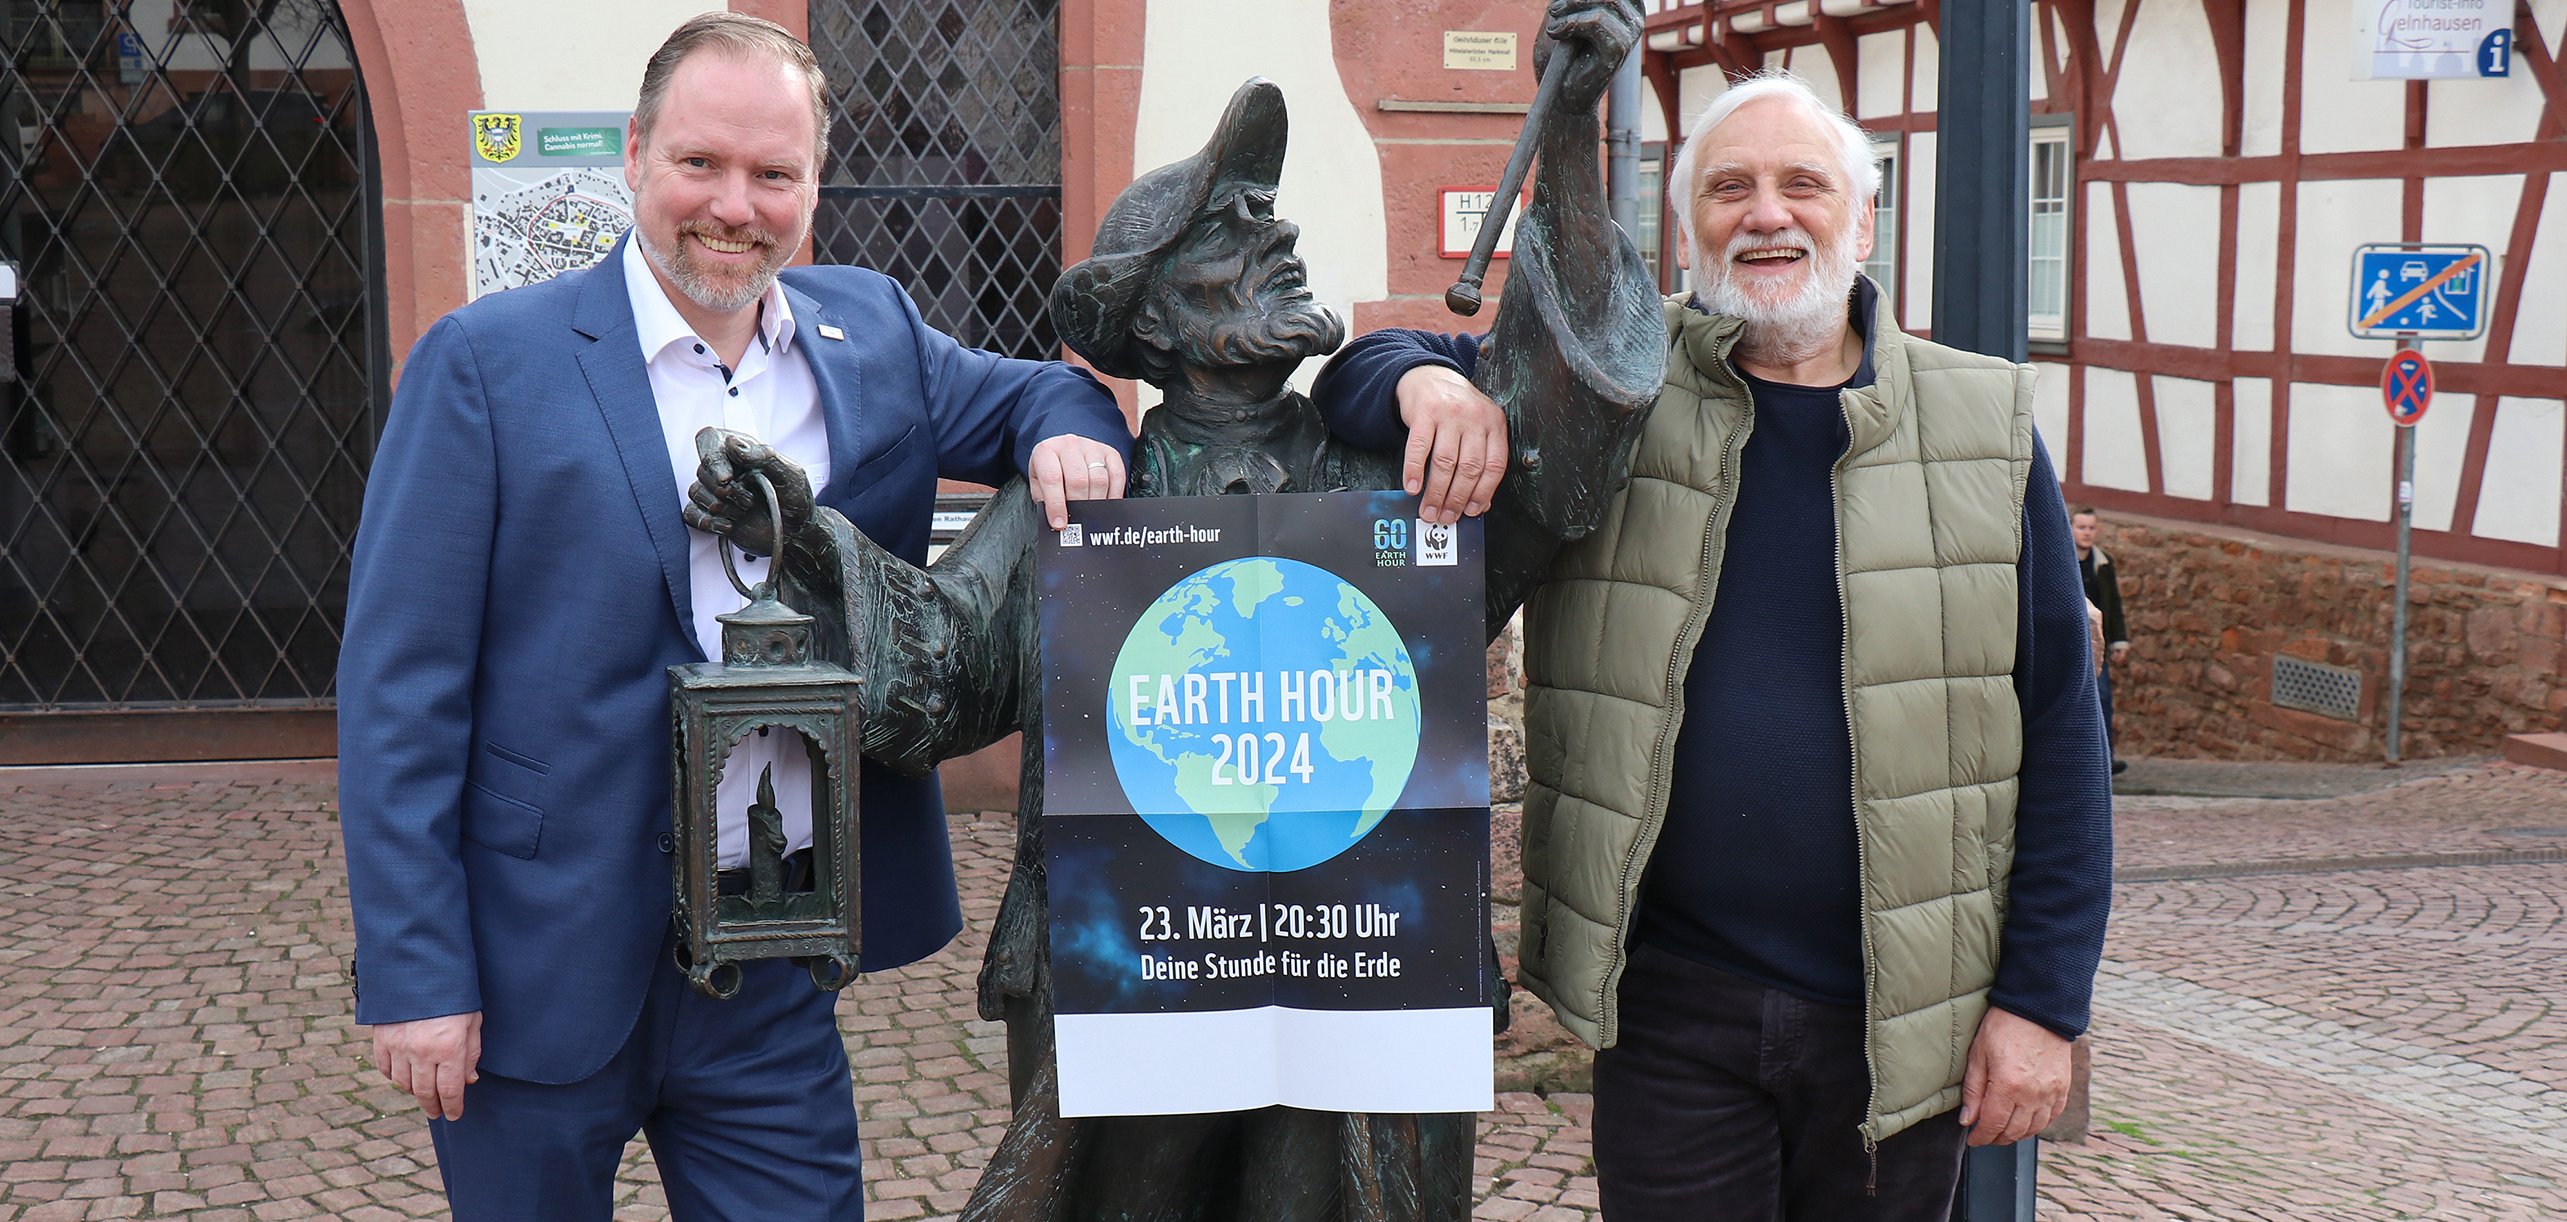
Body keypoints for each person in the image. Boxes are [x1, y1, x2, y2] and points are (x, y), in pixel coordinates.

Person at [682, 6, 1660, 1217]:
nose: (1281, 230)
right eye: (1232, 225)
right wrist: (813, 538)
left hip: (1357, 968)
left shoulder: (1394, 480)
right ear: (1150, 318)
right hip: (1121, 971)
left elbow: (1562, 436)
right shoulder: (1084, 502)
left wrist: (1566, 137)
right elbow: (930, 674)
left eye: (1269, 214)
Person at [334, 14, 1130, 1218]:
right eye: (700, 164)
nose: (734, 205)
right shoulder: (487, 364)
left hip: (769, 951)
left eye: (774, 174)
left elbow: (1040, 388)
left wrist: (1072, 426)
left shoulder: (869, 336)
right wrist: (413, 972)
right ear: (636, 159)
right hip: (534, 958)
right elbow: (399, 691)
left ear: (812, 185)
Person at [1314, 69, 2113, 1219]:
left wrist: (2041, 1004)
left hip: (1905, 1016)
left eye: (1802, 184)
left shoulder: (1981, 428)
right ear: (1684, 228)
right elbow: (1354, 372)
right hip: (1673, 1007)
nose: (1765, 213)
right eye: (1729, 188)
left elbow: (2058, 735)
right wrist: (1424, 388)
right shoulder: (1613, 399)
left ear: (1863, 217)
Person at [2072, 506, 2131, 774]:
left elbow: (2113, 605)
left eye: (2091, 528)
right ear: (2071, 528)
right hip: (2068, 641)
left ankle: (2104, 757)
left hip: (2096, 644)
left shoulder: (2103, 563)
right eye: (2081, 527)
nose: (2086, 533)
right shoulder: (2062, 560)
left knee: (2103, 697)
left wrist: (2119, 641)